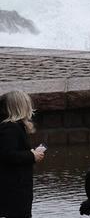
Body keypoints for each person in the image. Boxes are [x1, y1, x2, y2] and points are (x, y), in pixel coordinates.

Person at [0, 90, 45, 218]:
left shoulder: (12, 126)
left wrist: (30, 153)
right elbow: (8, 155)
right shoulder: (10, 128)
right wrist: (32, 156)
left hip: (15, 188)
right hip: (14, 189)